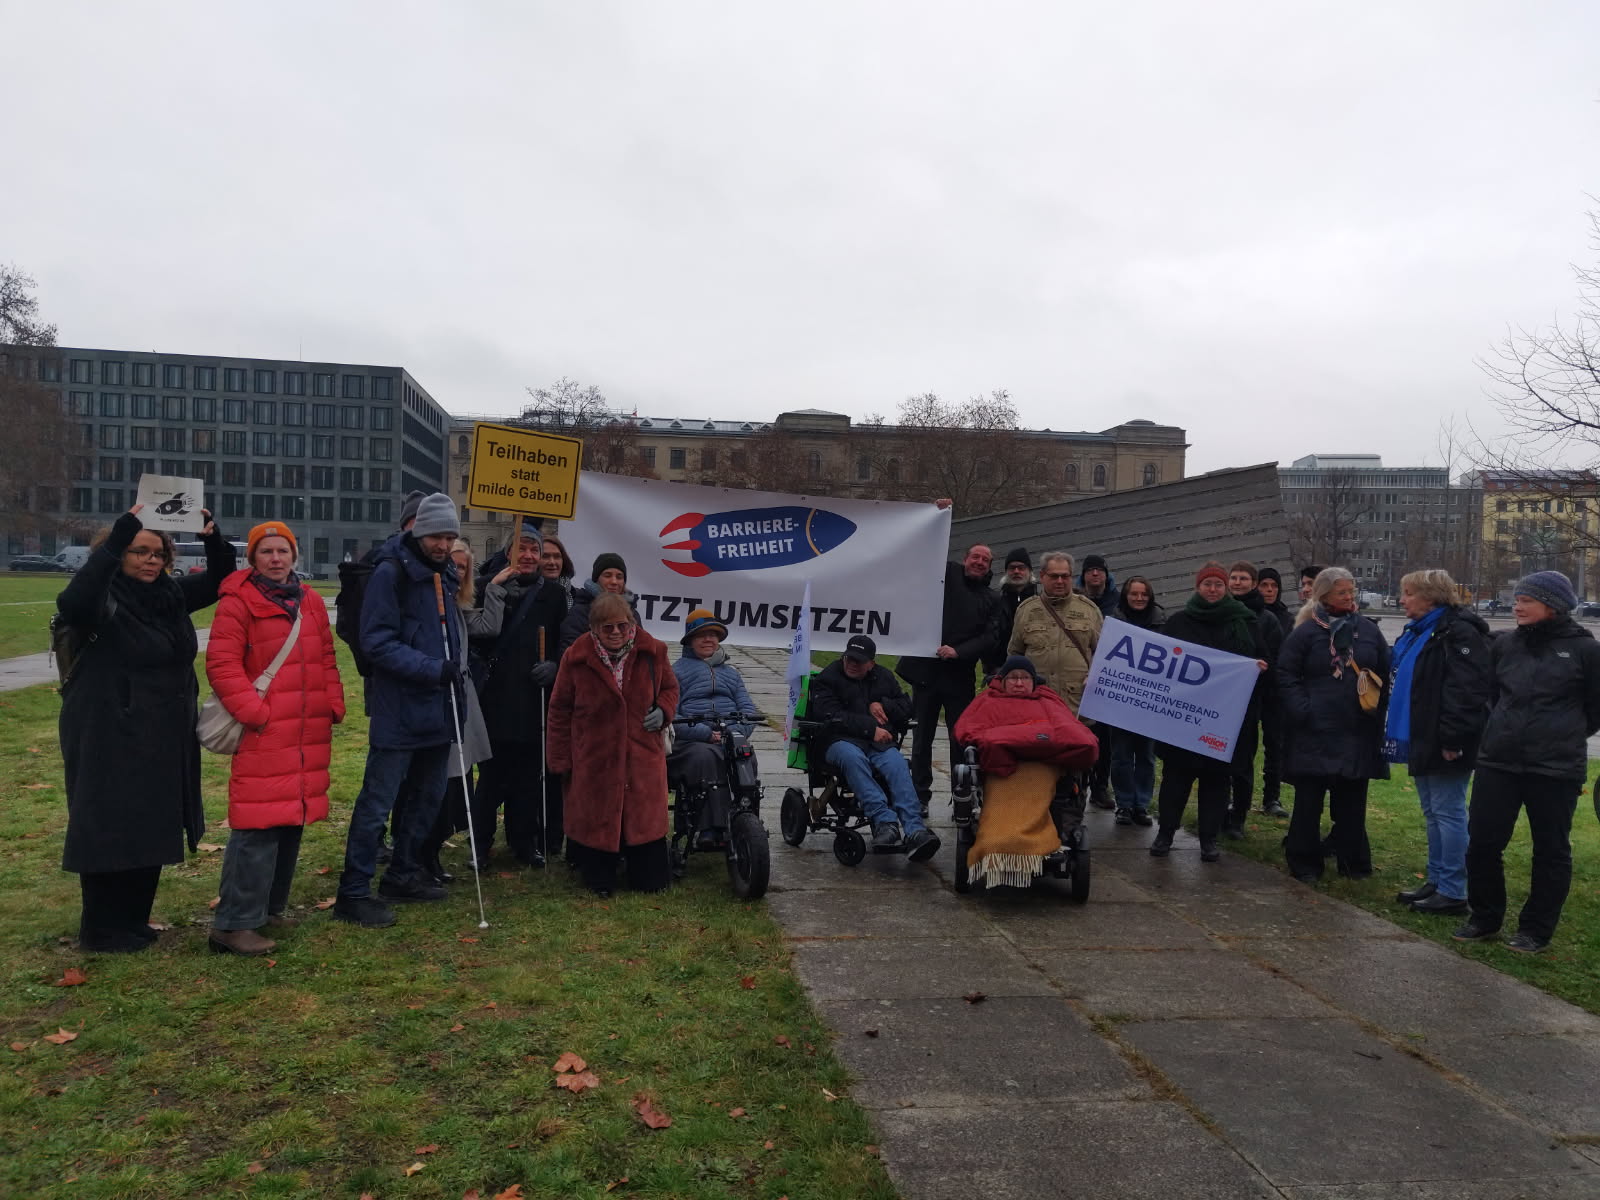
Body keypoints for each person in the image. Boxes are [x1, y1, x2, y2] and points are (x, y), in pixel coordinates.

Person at [56, 504, 236, 952]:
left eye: (159, 553)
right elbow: (74, 602)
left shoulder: (169, 597)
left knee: (151, 822)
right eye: (139, 551)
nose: (151, 560)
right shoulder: (101, 596)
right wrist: (120, 534)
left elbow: (219, 580)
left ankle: (133, 919)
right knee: (108, 823)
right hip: (106, 730)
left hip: (160, 731)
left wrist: (213, 536)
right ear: (118, 554)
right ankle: (101, 927)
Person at [205, 521, 343, 956]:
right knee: (256, 826)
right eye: (266, 552)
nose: (276, 559)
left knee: (289, 822)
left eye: (283, 551)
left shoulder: (311, 601)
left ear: (294, 555)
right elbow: (223, 664)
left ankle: (268, 908)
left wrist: (332, 704)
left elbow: (325, 657)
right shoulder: (237, 601)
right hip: (266, 729)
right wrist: (254, 714)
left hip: (306, 730)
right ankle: (234, 923)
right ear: (253, 558)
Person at [334, 493, 464, 928]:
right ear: (418, 530)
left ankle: (403, 874)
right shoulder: (389, 572)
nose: (444, 544)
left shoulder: (443, 574)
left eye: (450, 536)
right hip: (401, 709)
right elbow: (377, 642)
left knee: (427, 798)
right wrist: (433, 670)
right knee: (378, 802)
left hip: (439, 710)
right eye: (437, 535)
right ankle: (353, 892)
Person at [1454, 572, 1600, 953]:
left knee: (1550, 850)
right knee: (1483, 842)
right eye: (1516, 599)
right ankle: (1485, 917)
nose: (1516, 606)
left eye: (1526, 600)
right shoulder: (1504, 645)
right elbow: (1491, 696)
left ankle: (1535, 930)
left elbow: (1594, 709)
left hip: (1554, 768)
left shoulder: (1586, 651)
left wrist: (1559, 733)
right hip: (1498, 762)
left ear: (1552, 605)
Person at [547, 592, 679, 896]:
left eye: (622, 625)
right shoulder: (576, 657)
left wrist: (664, 710)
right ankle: (600, 875)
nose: (617, 632)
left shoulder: (653, 651)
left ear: (631, 623)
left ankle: (645, 872)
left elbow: (671, 688)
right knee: (597, 828)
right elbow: (559, 709)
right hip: (595, 758)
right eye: (608, 628)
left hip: (642, 756)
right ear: (593, 628)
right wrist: (561, 759)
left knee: (646, 840)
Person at [1382, 569, 1491, 917]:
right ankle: (1438, 879)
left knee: (1448, 811)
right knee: (1433, 812)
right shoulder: (1423, 631)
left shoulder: (1457, 633)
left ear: (1431, 596)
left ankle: (1454, 891)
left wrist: (1453, 738)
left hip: (1447, 738)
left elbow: (1466, 690)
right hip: (1424, 733)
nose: (1403, 600)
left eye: (1409, 593)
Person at [1150, 563, 1270, 862]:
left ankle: (1209, 839)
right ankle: (1166, 834)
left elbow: (1265, 660)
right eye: (1207, 585)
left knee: (1216, 782)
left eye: (1218, 584)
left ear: (1226, 588)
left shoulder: (1245, 621)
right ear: (1198, 587)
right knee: (1176, 779)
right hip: (1184, 718)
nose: (1213, 589)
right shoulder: (1179, 621)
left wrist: (1259, 667)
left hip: (1224, 721)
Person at [1278, 567, 1391, 883]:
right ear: (1324, 595)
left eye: (1351, 590)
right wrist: (1303, 709)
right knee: (1308, 802)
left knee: (1352, 802)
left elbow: (1383, 670)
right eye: (1342, 591)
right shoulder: (1305, 632)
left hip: (1356, 729)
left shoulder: (1368, 630)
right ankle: (1304, 863)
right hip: (1314, 729)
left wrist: (1376, 709)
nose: (1349, 596)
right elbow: (1286, 674)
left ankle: (1353, 862)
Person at [470, 520, 568, 868]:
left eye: (533, 550)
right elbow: (475, 637)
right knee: (493, 776)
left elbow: (562, 640)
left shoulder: (554, 595)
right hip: (496, 697)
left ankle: (523, 842)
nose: (528, 556)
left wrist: (555, 665)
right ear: (509, 551)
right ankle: (480, 844)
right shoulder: (485, 587)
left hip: (533, 697)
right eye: (521, 549)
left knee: (529, 776)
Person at [417, 542, 506, 883]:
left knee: (458, 780)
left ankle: (431, 852)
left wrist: (494, 590)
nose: (457, 573)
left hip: (461, 698)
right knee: (438, 781)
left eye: (464, 568)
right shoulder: (429, 606)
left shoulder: (458, 607)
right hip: (435, 700)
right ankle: (422, 853)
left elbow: (487, 627)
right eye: (452, 566)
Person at [811, 634, 939, 860]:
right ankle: (884, 822)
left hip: (877, 744)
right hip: (837, 741)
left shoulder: (884, 678)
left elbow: (907, 709)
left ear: (872, 663)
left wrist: (882, 704)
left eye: (858, 660)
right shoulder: (828, 678)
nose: (852, 663)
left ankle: (915, 830)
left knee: (898, 764)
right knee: (853, 759)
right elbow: (829, 714)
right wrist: (871, 728)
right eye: (848, 658)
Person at [896, 544, 1001, 815]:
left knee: (961, 741)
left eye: (985, 560)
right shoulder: (948, 575)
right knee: (921, 740)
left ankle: (962, 796)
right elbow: (929, 548)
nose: (979, 562)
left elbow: (990, 638)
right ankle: (920, 796)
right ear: (965, 559)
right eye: (975, 557)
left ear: (990, 567)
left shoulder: (992, 598)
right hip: (926, 675)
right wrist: (940, 510)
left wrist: (959, 652)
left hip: (959, 676)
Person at [1008, 551, 1104, 840]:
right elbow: (1014, 655)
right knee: (1034, 770)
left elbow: (1106, 657)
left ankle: (1068, 829)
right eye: (1054, 576)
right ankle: (1032, 824)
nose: (1060, 581)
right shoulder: (1027, 610)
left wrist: (1095, 676)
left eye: (1065, 576)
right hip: (1035, 710)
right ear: (1043, 577)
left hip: (1075, 709)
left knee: (1074, 773)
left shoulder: (1089, 610)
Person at [670, 608, 760, 846]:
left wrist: (736, 732)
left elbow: (748, 709)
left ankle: (746, 821)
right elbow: (670, 713)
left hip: (728, 734)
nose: (708, 639)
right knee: (707, 757)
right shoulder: (675, 672)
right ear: (690, 640)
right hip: (691, 741)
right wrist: (704, 734)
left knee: (745, 755)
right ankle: (711, 828)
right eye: (702, 635)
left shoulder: (732, 674)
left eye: (713, 634)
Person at [1223, 560, 1288, 832]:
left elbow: (1276, 660)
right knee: (1217, 762)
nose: (1237, 582)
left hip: (1252, 701)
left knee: (1242, 763)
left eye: (1243, 578)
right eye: (1234, 578)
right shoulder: (1217, 612)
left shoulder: (1267, 620)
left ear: (1252, 583)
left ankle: (1238, 816)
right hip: (1219, 701)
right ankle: (1217, 812)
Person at [1108, 576, 1164, 827]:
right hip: (1120, 700)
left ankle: (1141, 805)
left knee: (1146, 756)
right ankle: (1124, 804)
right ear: (1126, 596)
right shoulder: (1112, 621)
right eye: (1134, 594)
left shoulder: (1162, 622)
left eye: (1144, 594)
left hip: (1150, 701)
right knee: (1120, 755)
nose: (1139, 598)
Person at [1256, 566, 1294, 817]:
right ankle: (1236, 796)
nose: (1269, 591)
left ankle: (1272, 797)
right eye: (1264, 586)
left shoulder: (1288, 619)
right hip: (1249, 690)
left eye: (1273, 586)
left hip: (1275, 692)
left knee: (1275, 746)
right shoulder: (1250, 614)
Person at [560, 551, 638, 653]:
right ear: (596, 579)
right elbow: (569, 655)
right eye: (607, 575)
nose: (614, 582)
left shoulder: (633, 615)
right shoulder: (579, 614)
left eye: (619, 577)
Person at [984, 548, 1038, 675]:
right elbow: (987, 637)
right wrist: (991, 667)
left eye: (1021, 567)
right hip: (1000, 670)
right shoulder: (994, 602)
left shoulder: (1040, 602)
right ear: (1006, 572)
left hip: (1035, 670)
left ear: (1030, 571)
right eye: (1012, 568)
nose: (1016, 571)